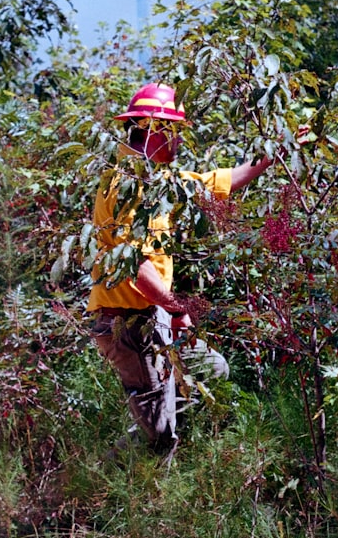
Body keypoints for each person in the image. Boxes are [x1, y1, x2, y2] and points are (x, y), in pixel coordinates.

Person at [88, 83, 274, 458]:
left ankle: (149, 437)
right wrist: (177, 308)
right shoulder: (127, 184)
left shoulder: (161, 180)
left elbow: (213, 184)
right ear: (153, 128)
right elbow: (136, 268)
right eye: (175, 131)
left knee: (210, 371)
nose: (180, 141)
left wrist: (272, 155)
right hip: (127, 322)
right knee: (160, 436)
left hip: (153, 315)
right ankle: (112, 475)